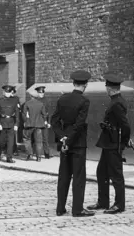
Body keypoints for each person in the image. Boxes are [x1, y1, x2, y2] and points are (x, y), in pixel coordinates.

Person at [51, 70, 94, 217]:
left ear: (73, 83)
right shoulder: (84, 101)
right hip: (77, 143)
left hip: (64, 143)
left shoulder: (63, 99)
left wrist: (62, 137)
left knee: (64, 176)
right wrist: (69, 140)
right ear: (85, 85)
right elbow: (79, 125)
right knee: (78, 176)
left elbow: (54, 121)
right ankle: (77, 209)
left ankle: (60, 208)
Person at [87, 72, 131, 215]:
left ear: (110, 88)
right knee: (101, 173)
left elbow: (125, 126)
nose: (106, 89)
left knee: (116, 175)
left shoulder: (117, 103)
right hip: (108, 143)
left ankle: (119, 205)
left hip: (114, 144)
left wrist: (123, 143)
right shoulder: (116, 100)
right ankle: (103, 202)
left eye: (107, 87)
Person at [0, 85, 20, 163]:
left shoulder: (14, 101)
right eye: (6, 92)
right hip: (2, 124)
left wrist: (16, 124)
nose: (7, 94)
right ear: (3, 92)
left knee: (11, 142)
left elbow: (17, 114)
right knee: (1, 142)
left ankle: (9, 158)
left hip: (11, 123)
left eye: (9, 92)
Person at [23, 91, 48, 162]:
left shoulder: (27, 104)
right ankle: (39, 157)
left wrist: (25, 121)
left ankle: (30, 154)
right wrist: (44, 121)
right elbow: (44, 114)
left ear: (31, 96)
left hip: (29, 124)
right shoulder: (41, 104)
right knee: (39, 141)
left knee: (26, 138)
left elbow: (24, 114)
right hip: (39, 125)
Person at [35, 86, 53, 159]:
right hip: (37, 122)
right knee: (38, 139)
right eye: (39, 93)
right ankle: (37, 154)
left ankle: (47, 154)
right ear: (37, 93)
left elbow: (49, 112)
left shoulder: (46, 101)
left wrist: (48, 122)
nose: (41, 94)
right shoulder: (35, 101)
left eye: (42, 93)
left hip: (44, 122)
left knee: (45, 139)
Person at [11, 88, 21, 156]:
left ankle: (14, 149)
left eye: (12, 92)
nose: (11, 94)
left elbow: (18, 108)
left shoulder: (16, 99)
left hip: (14, 119)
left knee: (13, 136)